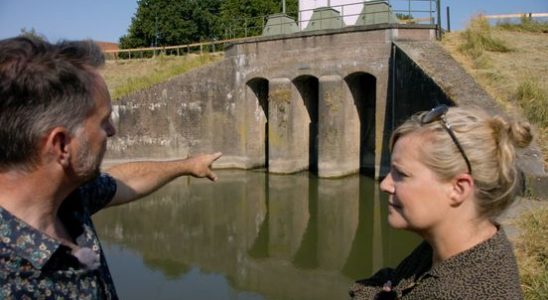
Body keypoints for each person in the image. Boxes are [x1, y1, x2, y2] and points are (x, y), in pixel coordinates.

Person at [0, 36, 222, 299]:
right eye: (104, 121)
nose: (112, 131)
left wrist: (188, 165)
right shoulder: (11, 281)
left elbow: (122, 183)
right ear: (61, 145)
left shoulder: (68, 198)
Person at [349, 104, 532, 299]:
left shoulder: (465, 291)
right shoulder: (455, 248)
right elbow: (393, 281)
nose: (385, 185)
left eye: (401, 174)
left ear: (458, 188)